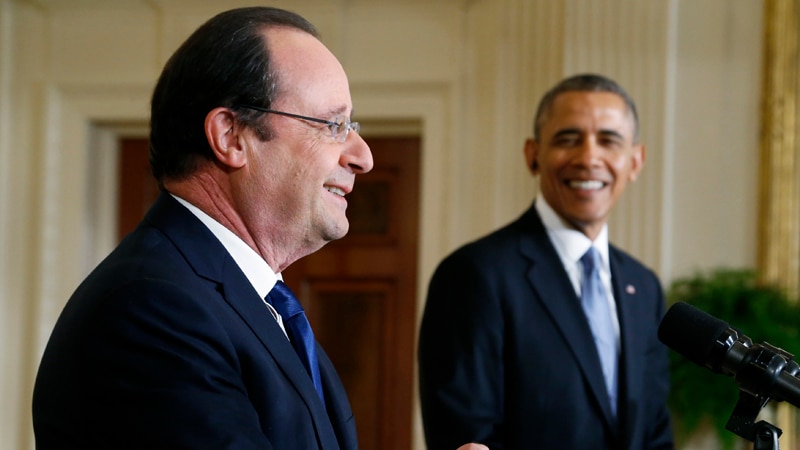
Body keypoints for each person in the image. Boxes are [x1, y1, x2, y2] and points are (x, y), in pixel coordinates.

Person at [31, 7, 488, 450]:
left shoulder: (249, 302)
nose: (363, 155)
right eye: (332, 124)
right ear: (231, 136)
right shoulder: (152, 309)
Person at [418, 74, 674, 449]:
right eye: (568, 139)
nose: (588, 158)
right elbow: (464, 435)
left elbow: (654, 433)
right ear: (532, 155)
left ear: (635, 161)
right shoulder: (474, 274)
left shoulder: (643, 287)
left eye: (608, 140)